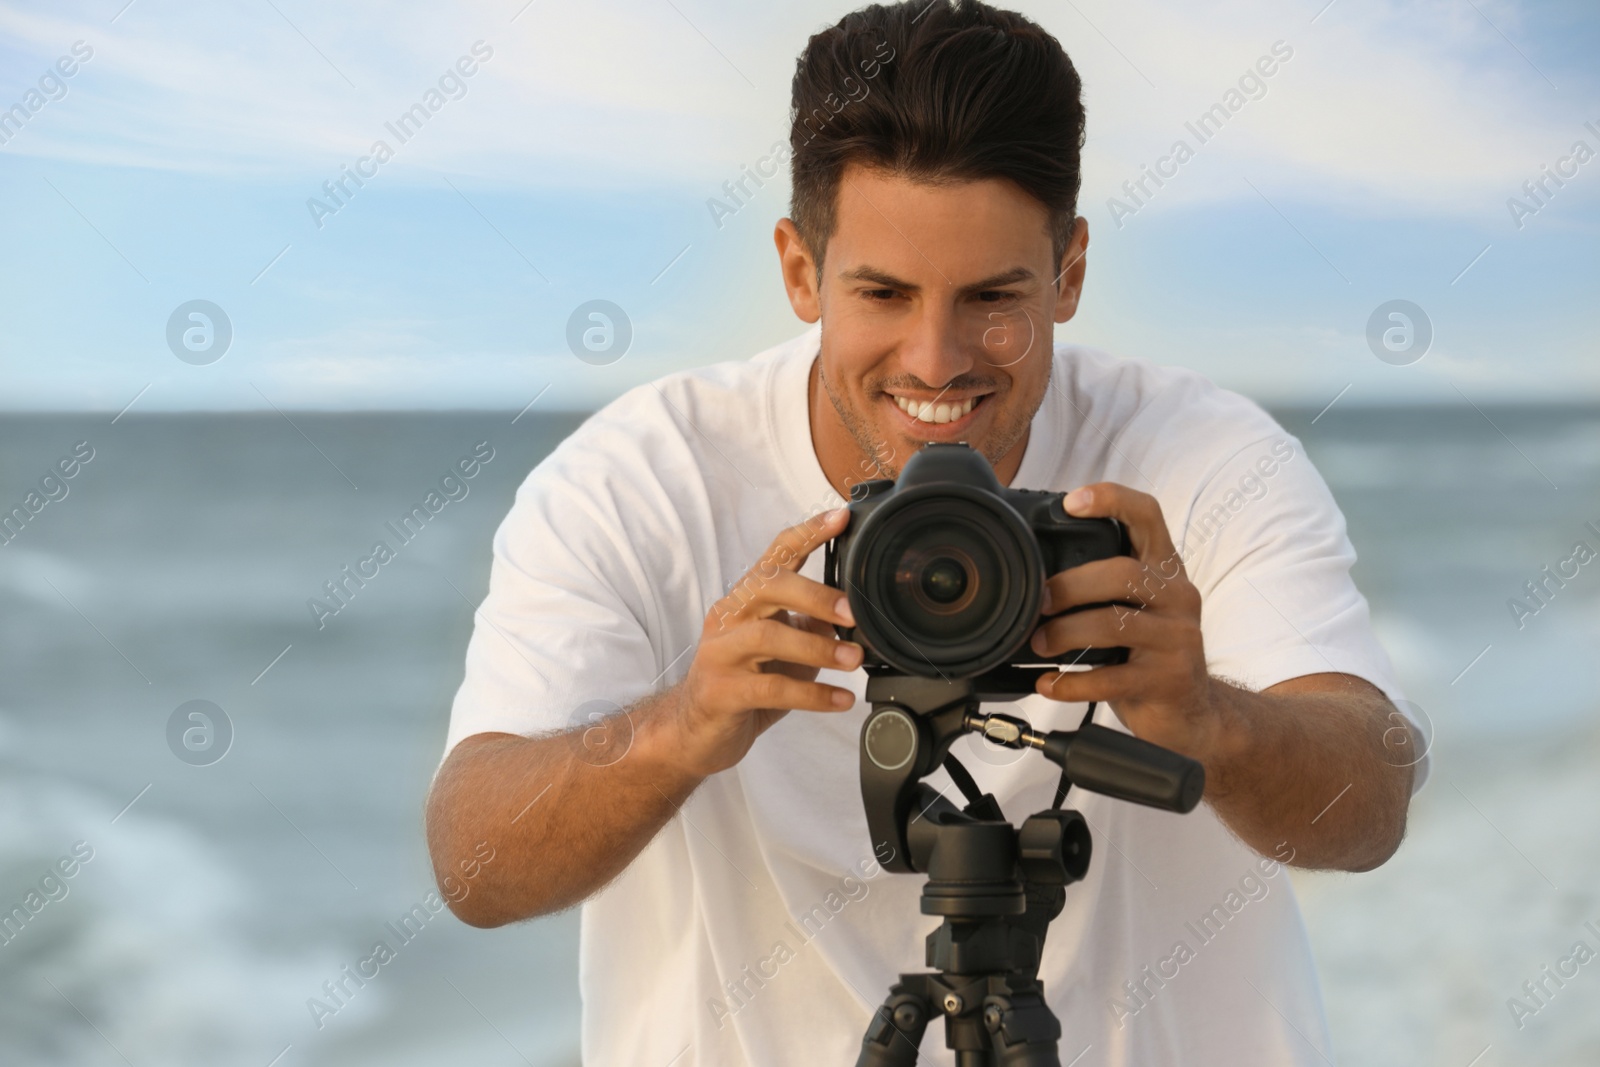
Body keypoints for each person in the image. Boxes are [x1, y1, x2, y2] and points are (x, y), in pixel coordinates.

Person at [425, 2, 1426, 1063]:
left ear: (1069, 272)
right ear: (801, 270)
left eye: (994, 295)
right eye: (884, 293)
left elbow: (1370, 806)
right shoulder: (640, 478)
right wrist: (684, 722)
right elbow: (474, 865)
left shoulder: (1205, 458)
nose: (937, 359)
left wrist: (1207, 715)